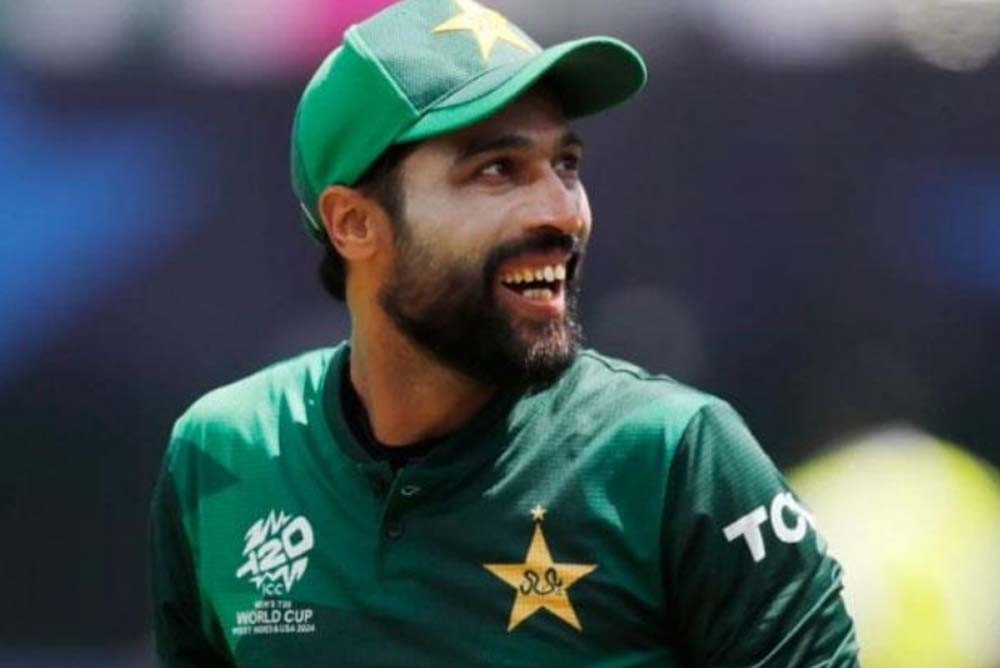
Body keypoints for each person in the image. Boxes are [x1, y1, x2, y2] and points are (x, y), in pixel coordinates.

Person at [150, 0, 859, 666]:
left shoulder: (677, 459)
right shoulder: (222, 455)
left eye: (566, 165)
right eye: (497, 171)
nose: (564, 212)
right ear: (354, 223)